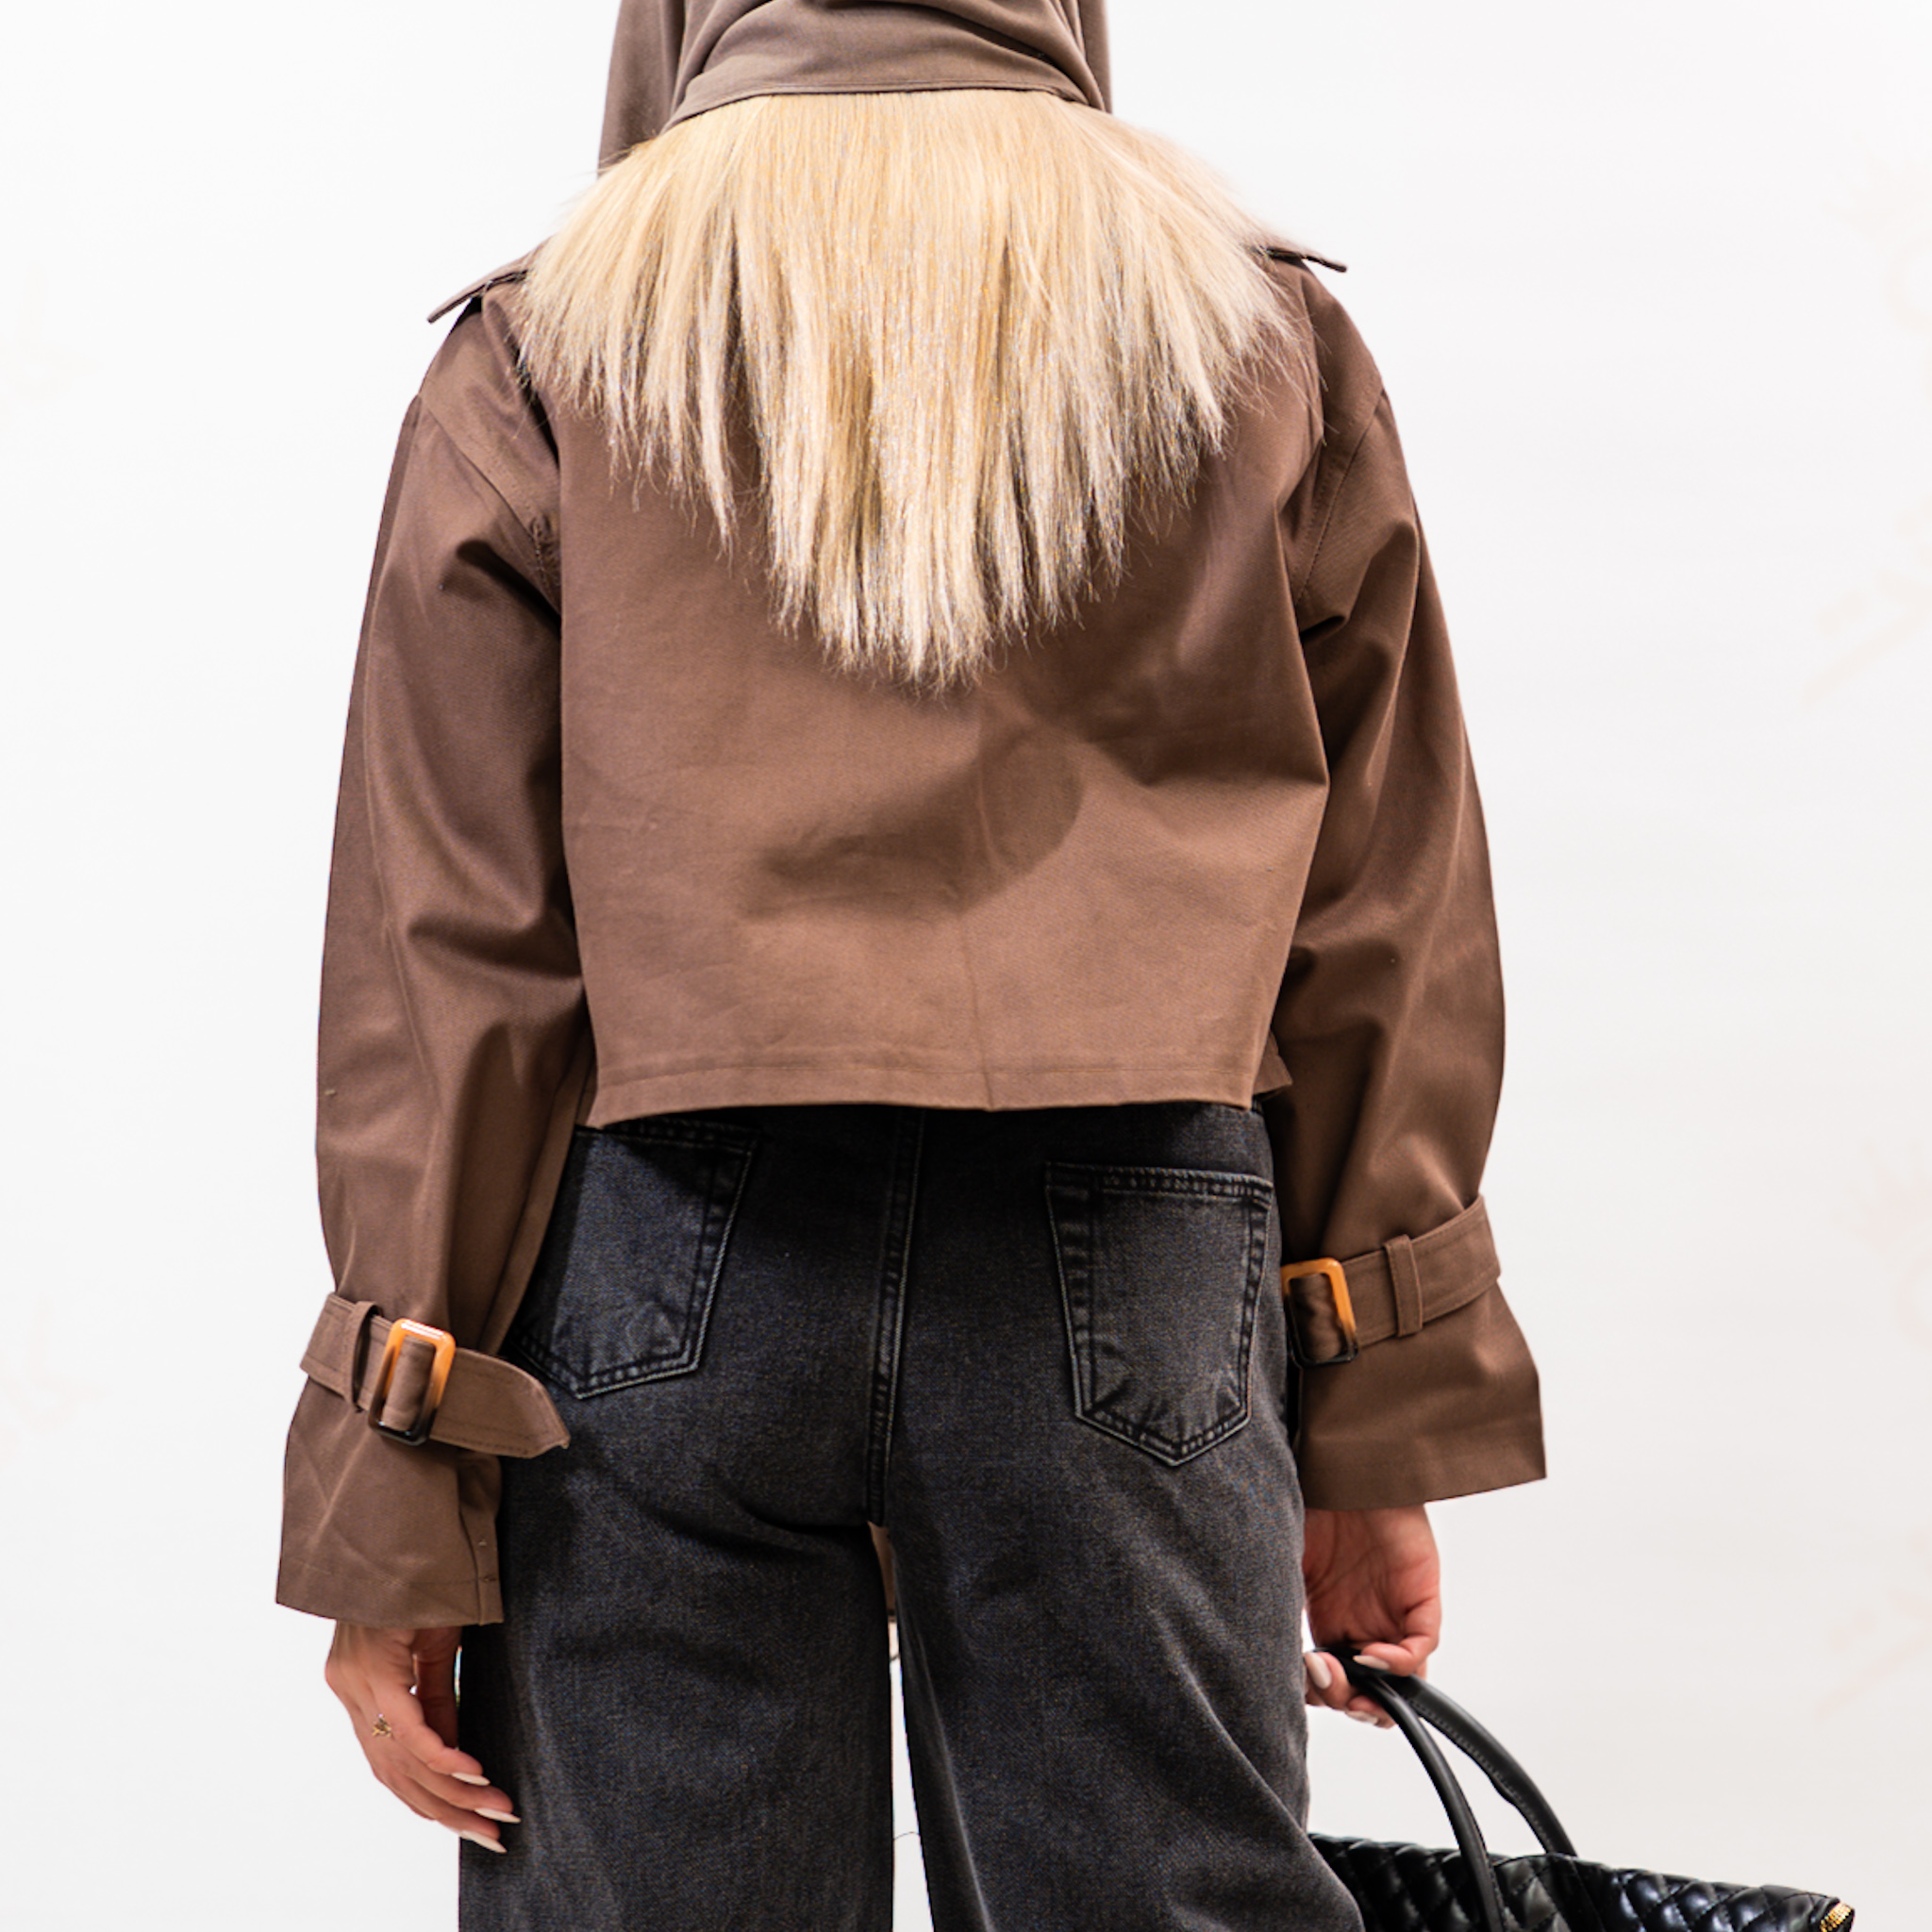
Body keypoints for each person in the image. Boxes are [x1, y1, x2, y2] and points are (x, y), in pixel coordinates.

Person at [278, 3, 1545, 1925]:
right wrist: (1373, 1426)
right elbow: (1381, 915)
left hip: (665, 1269)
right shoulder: (1251, 331)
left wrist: (399, 1479)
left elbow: (450, 957)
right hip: (1130, 1261)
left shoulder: (546, 349)